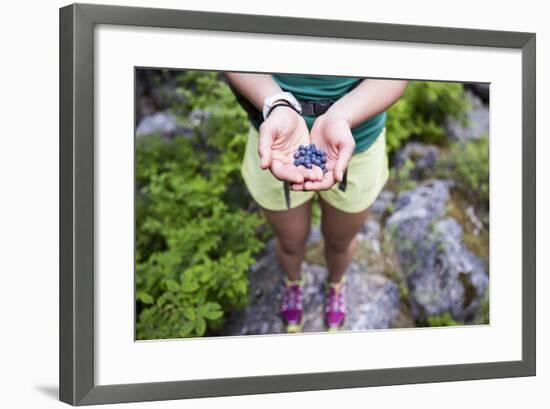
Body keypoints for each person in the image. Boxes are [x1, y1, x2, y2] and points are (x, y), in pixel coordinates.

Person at [225, 72, 407, 332]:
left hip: (357, 144)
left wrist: (341, 116)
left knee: (339, 241)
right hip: (279, 144)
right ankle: (293, 282)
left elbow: (396, 73)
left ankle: (335, 284)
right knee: (290, 241)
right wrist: (277, 104)